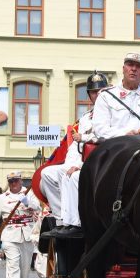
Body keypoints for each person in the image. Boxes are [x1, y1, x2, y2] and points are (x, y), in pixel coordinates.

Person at [40, 72, 108, 241]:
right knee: (46, 174)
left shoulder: (111, 112)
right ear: (89, 95)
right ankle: (61, 219)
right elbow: (77, 147)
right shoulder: (85, 118)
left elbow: (107, 139)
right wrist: (73, 163)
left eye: (101, 91)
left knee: (69, 175)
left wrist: (80, 165)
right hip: (81, 159)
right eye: (93, 92)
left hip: (101, 161)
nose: (97, 94)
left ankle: (76, 222)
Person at [92, 53, 140, 141]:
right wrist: (124, 133)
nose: (134, 69)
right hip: (117, 146)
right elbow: (99, 128)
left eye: (138, 66)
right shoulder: (106, 96)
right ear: (123, 69)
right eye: (130, 65)